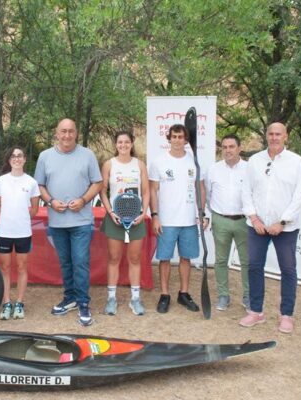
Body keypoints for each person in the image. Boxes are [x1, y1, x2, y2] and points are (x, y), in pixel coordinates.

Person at [240, 122, 301, 334]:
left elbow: (299, 196)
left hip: (285, 228)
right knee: (254, 266)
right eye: (271, 133)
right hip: (257, 225)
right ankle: (255, 311)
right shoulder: (255, 160)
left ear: (286, 136)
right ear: (266, 135)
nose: (274, 137)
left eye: (278, 134)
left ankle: (286, 314)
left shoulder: (297, 162)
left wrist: (282, 222)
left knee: (288, 270)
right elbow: (246, 191)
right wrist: (254, 219)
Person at [34, 118, 102, 326]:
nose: (67, 135)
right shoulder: (45, 156)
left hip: (82, 221)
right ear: (56, 133)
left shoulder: (87, 155)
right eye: (63, 131)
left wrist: (83, 200)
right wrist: (50, 201)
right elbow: (39, 186)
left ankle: (83, 302)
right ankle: (70, 298)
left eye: (71, 131)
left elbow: (97, 183)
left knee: (80, 262)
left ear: (76, 133)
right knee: (65, 262)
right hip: (57, 221)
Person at [149, 124, 208, 314]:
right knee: (165, 259)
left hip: (189, 220)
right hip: (166, 221)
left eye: (180, 137)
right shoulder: (159, 162)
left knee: (185, 258)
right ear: (169, 139)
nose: (176, 140)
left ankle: (184, 293)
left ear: (186, 140)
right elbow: (152, 190)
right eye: (173, 136)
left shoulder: (194, 162)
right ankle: (165, 295)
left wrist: (202, 213)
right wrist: (155, 216)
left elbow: (201, 189)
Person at [99, 131, 149, 316]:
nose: (123, 145)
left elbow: (146, 192)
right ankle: (111, 298)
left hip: (136, 218)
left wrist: (143, 213)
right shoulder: (109, 164)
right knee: (114, 258)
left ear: (132, 143)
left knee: (134, 259)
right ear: (115, 144)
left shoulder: (140, 165)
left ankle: (135, 299)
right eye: (120, 142)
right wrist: (111, 212)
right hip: (115, 219)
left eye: (127, 142)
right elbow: (102, 191)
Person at [0, 146, 40, 320]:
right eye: (13, 156)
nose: (16, 158)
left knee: (22, 267)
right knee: (5, 268)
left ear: (25, 159)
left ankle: (19, 302)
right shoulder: (0, 181)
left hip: (23, 232)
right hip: (4, 231)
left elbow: (34, 209)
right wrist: (9, 219)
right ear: (9, 160)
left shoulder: (31, 182)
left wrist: (21, 219)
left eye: (20, 156)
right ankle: (6, 302)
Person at [204, 134, 249, 311]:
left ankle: (248, 296)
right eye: (224, 147)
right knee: (221, 260)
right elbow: (208, 195)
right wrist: (210, 214)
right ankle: (223, 295)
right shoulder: (213, 170)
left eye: (231, 146)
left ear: (239, 148)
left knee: (247, 261)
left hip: (244, 221)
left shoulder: (249, 169)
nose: (228, 150)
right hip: (221, 220)